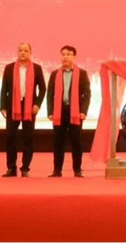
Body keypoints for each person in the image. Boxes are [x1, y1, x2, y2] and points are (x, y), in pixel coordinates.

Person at [0, 43, 47, 177]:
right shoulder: (9, 68)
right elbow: (4, 88)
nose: (23, 53)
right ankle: (11, 167)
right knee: (10, 137)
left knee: (28, 137)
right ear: (17, 52)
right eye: (20, 50)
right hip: (12, 106)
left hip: (29, 107)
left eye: (26, 51)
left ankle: (25, 167)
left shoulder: (36, 68)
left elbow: (42, 88)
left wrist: (37, 104)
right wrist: (2, 106)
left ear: (30, 53)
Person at [46, 45, 91, 178]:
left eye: (68, 54)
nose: (65, 57)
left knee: (76, 142)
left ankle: (77, 169)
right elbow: (50, 94)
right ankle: (57, 170)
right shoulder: (55, 74)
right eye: (63, 54)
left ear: (74, 57)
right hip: (59, 112)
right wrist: (50, 111)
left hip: (75, 112)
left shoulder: (82, 73)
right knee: (58, 142)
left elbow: (87, 94)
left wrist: (83, 111)